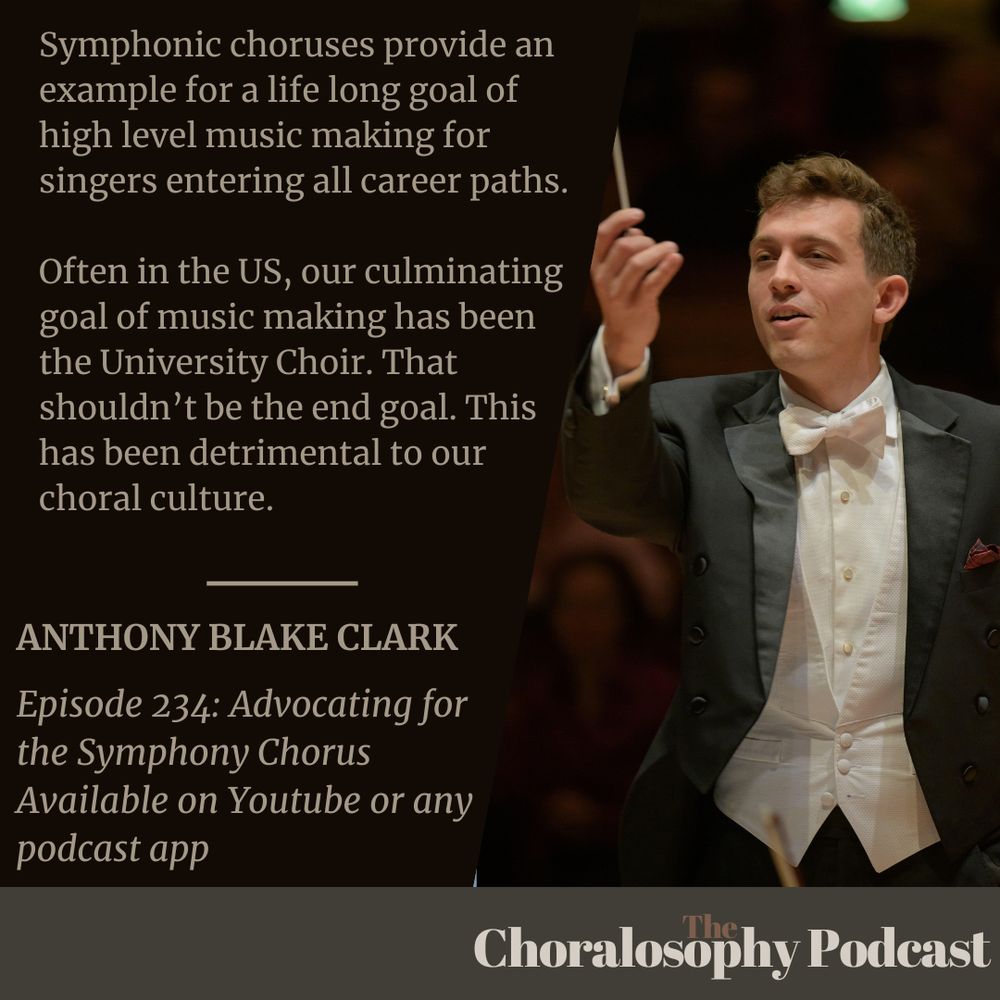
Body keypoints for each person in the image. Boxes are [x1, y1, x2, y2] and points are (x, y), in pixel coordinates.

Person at [562, 154, 999, 886]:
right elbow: (609, 498)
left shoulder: (987, 445)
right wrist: (622, 347)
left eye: (815, 256)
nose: (780, 277)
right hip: (744, 844)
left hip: (935, 850)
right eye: (764, 257)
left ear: (887, 297)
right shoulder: (693, 420)